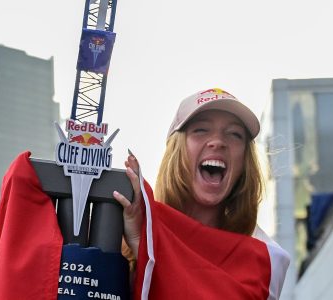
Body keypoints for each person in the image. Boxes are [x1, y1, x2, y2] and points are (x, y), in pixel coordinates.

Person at [113, 88, 290, 299]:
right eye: (201, 130)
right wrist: (140, 244)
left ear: (244, 162)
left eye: (234, 134)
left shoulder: (267, 260)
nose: (218, 141)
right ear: (176, 151)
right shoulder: (125, 232)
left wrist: (147, 248)